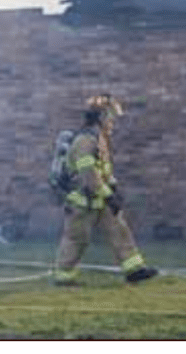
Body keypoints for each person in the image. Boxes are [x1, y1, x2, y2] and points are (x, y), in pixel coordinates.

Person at [53, 94, 158, 285]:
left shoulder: (99, 139)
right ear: (101, 118)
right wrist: (109, 196)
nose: (112, 123)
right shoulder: (85, 141)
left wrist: (113, 186)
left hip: (100, 197)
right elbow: (89, 175)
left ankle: (134, 270)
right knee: (77, 238)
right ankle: (64, 276)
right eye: (111, 118)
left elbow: (104, 169)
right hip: (82, 201)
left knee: (119, 229)